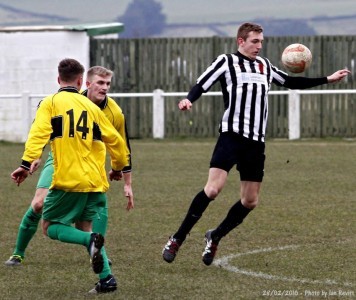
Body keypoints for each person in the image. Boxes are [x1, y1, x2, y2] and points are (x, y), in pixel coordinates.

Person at [162, 22, 350, 266]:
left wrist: (328, 79)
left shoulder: (265, 66)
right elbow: (202, 84)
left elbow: (290, 82)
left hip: (255, 142)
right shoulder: (226, 62)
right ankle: (177, 238)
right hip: (231, 136)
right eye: (254, 41)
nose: (259, 46)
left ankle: (215, 236)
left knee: (250, 201)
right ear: (241, 41)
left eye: (261, 41)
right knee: (212, 190)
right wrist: (189, 100)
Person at [10, 58, 129, 293]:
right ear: (79, 81)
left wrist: (25, 164)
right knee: (84, 225)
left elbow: (38, 133)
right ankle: (107, 280)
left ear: (58, 80)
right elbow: (116, 140)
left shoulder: (50, 102)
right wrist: (117, 167)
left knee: (50, 226)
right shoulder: (94, 109)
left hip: (68, 179)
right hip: (95, 182)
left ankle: (90, 241)